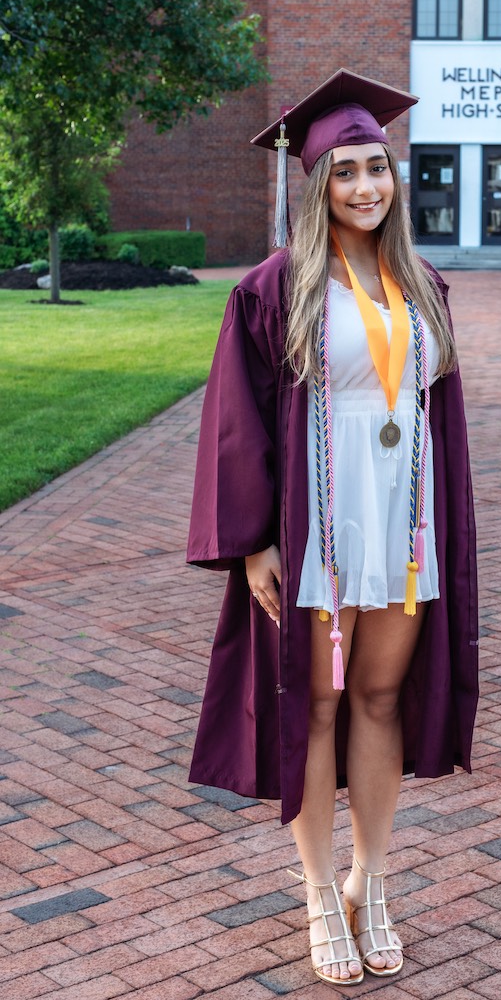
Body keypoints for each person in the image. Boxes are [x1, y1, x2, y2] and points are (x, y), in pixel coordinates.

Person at [186, 69, 479, 986]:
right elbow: (237, 419)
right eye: (344, 171)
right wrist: (254, 542)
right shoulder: (276, 288)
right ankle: (317, 892)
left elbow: (439, 414)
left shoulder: (421, 282)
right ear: (316, 184)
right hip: (318, 523)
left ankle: (371, 881)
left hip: (402, 519)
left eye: (376, 168)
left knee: (381, 701)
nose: (364, 186)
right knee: (313, 703)